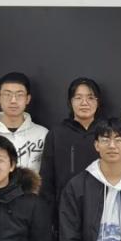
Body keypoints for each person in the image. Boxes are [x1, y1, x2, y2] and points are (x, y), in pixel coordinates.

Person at [40, 77, 101, 213]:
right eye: (78, 98)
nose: (84, 103)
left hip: (101, 207)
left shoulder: (106, 132)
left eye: (90, 98)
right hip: (65, 208)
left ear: (98, 102)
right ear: (70, 102)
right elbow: (46, 178)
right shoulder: (57, 133)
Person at [0, 72, 48, 172]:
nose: (13, 100)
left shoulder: (42, 134)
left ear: (28, 99)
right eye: (7, 94)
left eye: (19, 95)